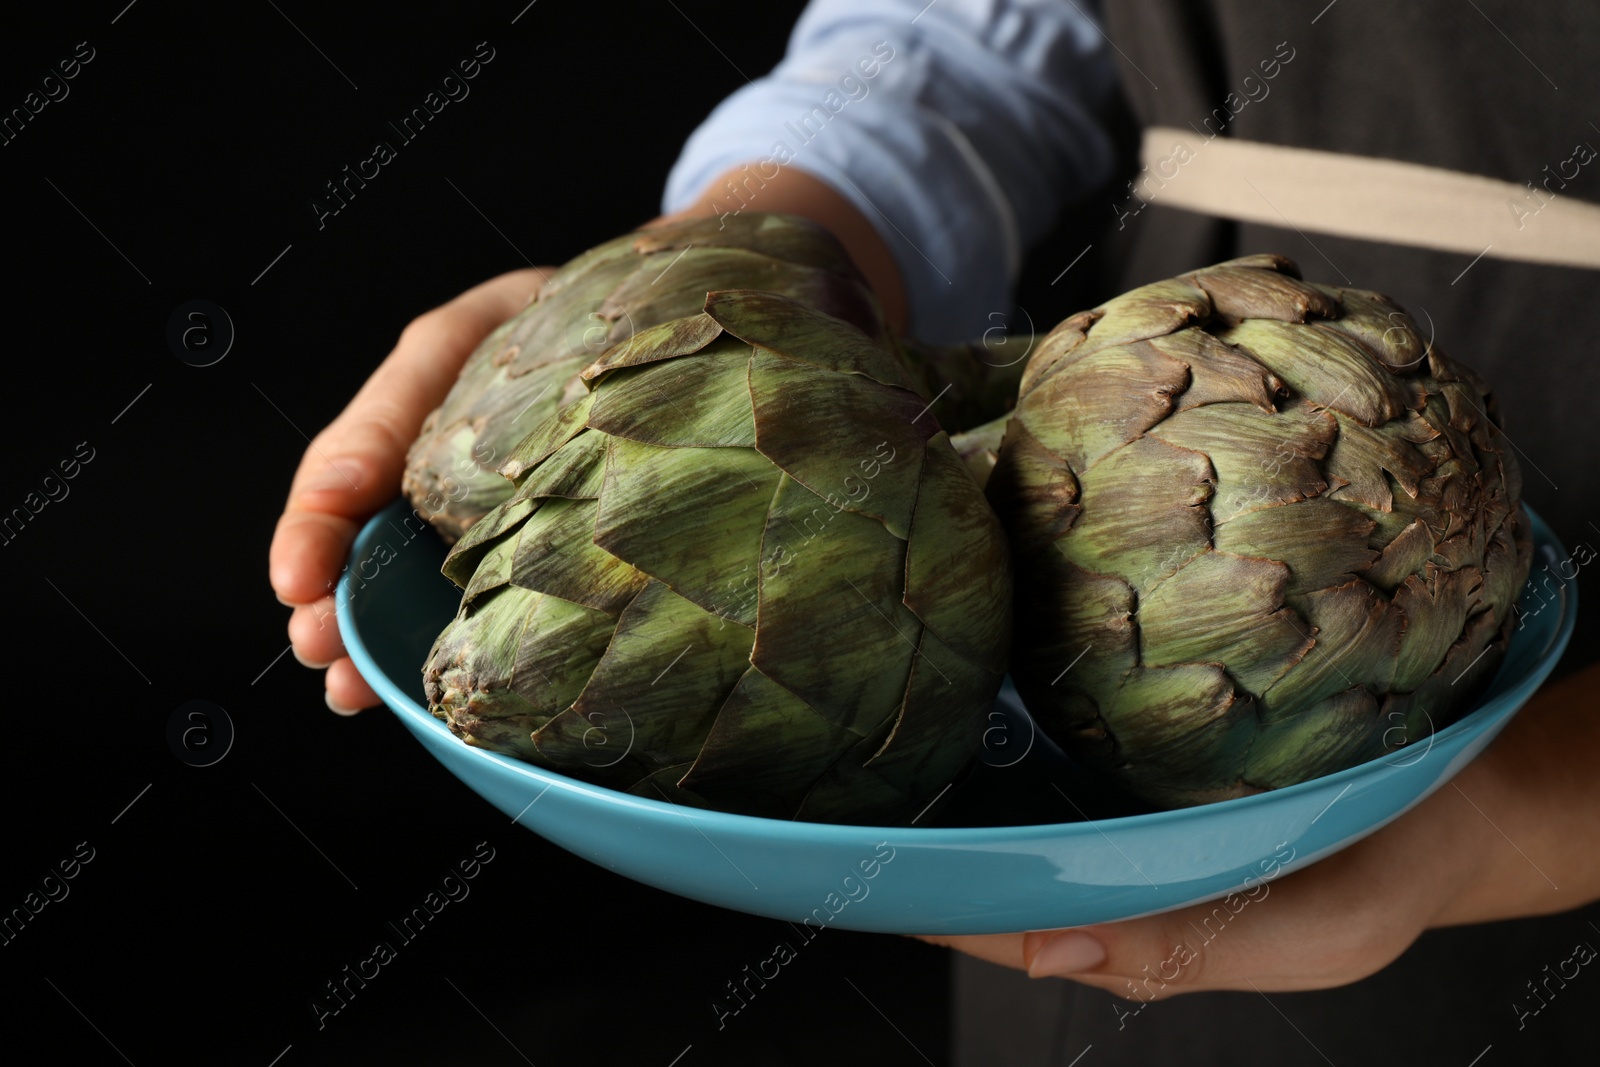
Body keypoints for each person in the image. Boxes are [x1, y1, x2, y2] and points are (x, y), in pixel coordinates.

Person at [269, 1, 1600, 1061]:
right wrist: (736, 276)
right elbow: (969, 32)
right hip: (1114, 813)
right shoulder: (978, 564)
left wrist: (1530, 816)